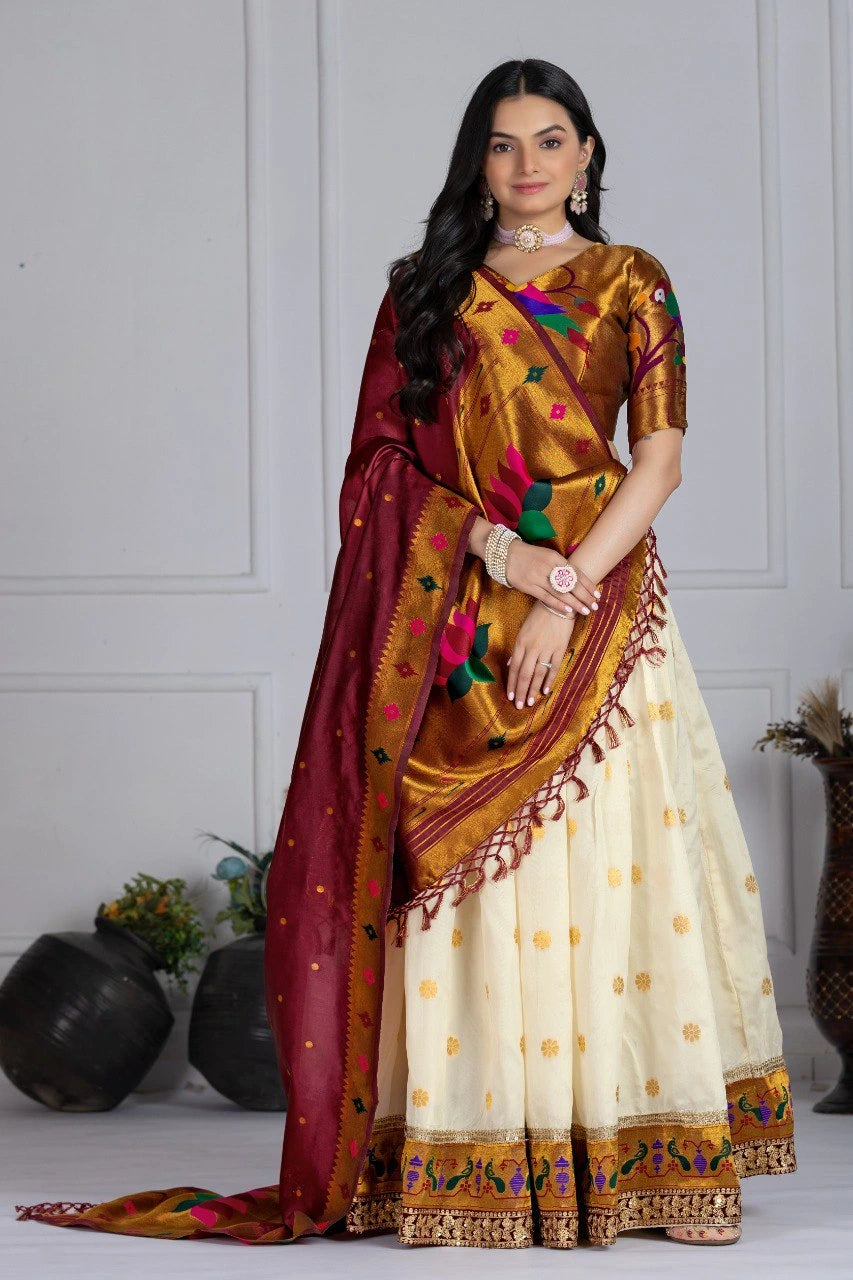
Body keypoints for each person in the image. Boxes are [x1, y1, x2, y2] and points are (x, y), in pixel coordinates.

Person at [16, 57, 796, 1251]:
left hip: (600, 614)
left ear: (587, 155)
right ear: (474, 162)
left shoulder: (633, 282)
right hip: (457, 620)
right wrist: (502, 554)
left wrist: (567, 588)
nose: (526, 164)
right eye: (500, 143)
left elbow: (660, 459)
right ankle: (465, 1156)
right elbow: (384, 475)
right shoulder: (429, 292)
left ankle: (638, 1158)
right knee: (476, 896)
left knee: (610, 880)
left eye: (549, 139)